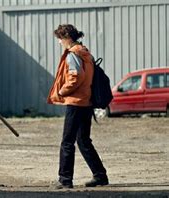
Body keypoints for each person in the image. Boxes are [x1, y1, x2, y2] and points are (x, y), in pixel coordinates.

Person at [47, 24, 109, 189]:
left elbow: (75, 76)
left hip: (75, 102)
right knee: (83, 141)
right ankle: (100, 175)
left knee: (67, 142)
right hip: (86, 102)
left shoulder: (73, 54)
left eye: (60, 39)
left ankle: (65, 179)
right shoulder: (86, 53)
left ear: (66, 37)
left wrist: (62, 90)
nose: (59, 42)